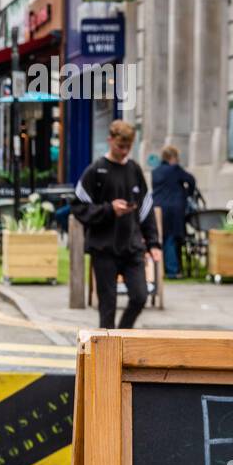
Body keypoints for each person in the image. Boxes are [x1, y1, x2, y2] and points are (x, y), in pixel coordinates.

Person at [72, 120, 162, 330]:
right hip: (104, 247)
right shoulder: (96, 170)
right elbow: (78, 206)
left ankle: (122, 335)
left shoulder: (134, 170)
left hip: (132, 246)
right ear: (109, 140)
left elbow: (146, 209)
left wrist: (153, 243)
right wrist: (108, 209)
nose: (123, 152)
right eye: (120, 146)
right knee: (107, 305)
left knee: (140, 296)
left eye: (128, 147)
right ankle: (107, 354)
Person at [150, 146, 198, 279]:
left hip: (157, 208)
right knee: (171, 239)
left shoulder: (155, 172)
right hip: (174, 209)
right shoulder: (175, 169)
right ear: (172, 158)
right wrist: (186, 193)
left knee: (161, 238)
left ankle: (161, 269)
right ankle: (172, 271)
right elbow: (191, 180)